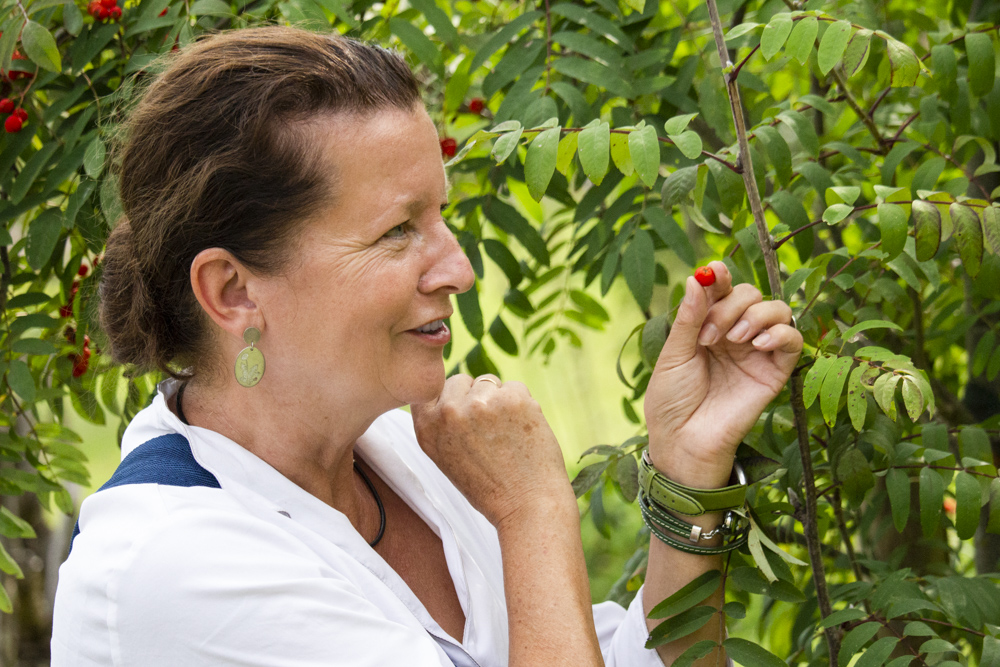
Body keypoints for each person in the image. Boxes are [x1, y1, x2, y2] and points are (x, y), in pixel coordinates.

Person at [51, 25, 802, 667]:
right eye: (397, 230)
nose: (460, 269)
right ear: (233, 291)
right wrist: (533, 510)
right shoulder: (174, 566)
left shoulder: (402, 449)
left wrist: (688, 471)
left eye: (440, 215)